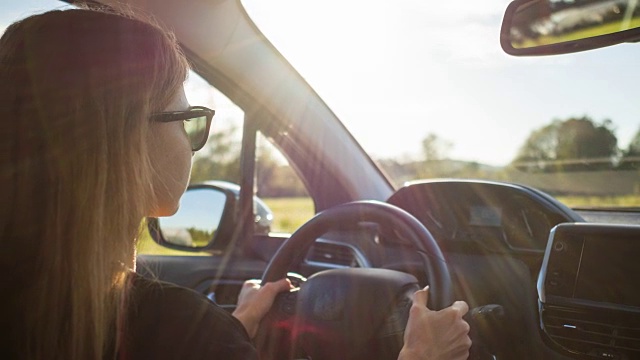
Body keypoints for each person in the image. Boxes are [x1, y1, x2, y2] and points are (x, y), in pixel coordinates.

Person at [0, 7, 470, 360]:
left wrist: (233, 330)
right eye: (187, 119)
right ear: (126, 144)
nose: (191, 144)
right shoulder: (175, 328)